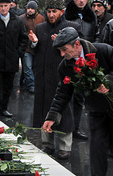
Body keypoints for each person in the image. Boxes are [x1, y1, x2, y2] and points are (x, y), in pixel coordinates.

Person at [42, 26, 113, 176]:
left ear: (77, 44)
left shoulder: (103, 51)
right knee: (97, 149)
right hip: (96, 110)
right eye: (59, 50)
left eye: (64, 49)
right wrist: (52, 116)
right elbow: (63, 92)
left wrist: (108, 82)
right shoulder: (65, 67)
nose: (62, 54)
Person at [28, 0, 81, 160]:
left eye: (55, 11)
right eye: (49, 11)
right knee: (45, 109)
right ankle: (47, 144)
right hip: (43, 77)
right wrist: (34, 42)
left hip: (62, 77)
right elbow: (35, 51)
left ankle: (65, 146)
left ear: (62, 11)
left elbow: (77, 52)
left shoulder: (71, 27)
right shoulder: (41, 27)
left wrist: (61, 41)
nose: (51, 14)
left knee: (64, 111)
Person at [64, 0, 97, 140]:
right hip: (69, 58)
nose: (82, 0)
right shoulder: (67, 15)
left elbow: (95, 36)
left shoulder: (91, 16)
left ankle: (76, 128)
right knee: (65, 95)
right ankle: (65, 127)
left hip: (85, 59)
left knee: (79, 97)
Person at [19, 0, 45, 94]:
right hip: (26, 47)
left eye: (32, 8)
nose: (30, 10)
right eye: (28, 8)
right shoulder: (21, 19)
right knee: (27, 67)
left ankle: (31, 83)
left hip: (37, 47)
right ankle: (31, 85)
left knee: (34, 67)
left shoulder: (41, 18)